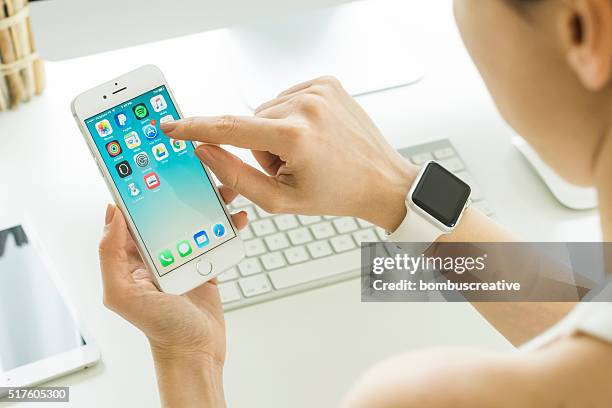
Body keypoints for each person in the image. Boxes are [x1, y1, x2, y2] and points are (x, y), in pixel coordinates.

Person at [99, 0, 612, 406]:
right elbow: (590, 314)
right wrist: (396, 191)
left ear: (581, 30)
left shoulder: (425, 397)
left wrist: (188, 359)